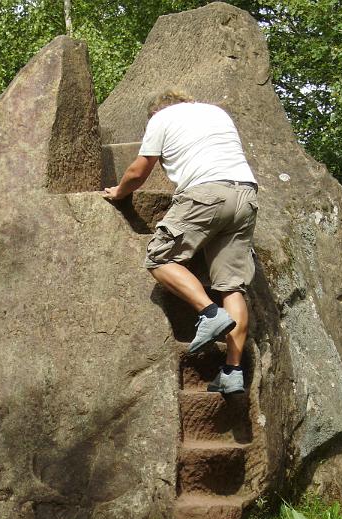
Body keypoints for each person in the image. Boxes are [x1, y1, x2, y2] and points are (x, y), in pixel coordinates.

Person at [102, 90, 258, 394]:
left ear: (154, 113)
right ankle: (232, 371)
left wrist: (119, 192)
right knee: (231, 286)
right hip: (246, 195)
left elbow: (139, 170)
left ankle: (209, 314)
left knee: (159, 258)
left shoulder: (162, 118)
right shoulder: (216, 113)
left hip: (206, 194)